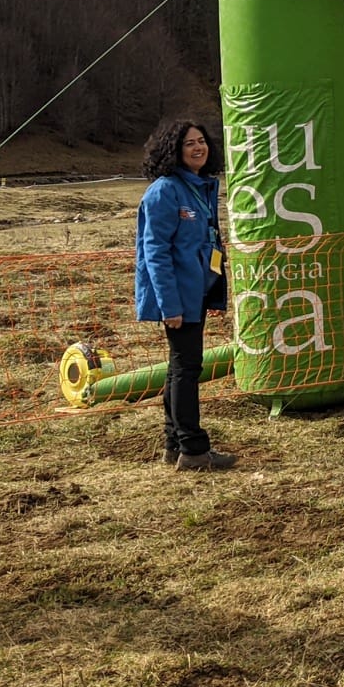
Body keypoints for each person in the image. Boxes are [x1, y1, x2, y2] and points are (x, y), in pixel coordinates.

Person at [134, 118, 233, 472]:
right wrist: (170, 306)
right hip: (178, 299)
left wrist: (214, 293)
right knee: (187, 370)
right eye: (189, 143)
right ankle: (193, 448)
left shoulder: (200, 187)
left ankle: (174, 445)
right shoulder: (164, 191)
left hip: (198, 293)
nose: (198, 148)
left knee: (180, 369)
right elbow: (155, 254)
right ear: (172, 150)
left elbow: (207, 245)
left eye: (202, 141)